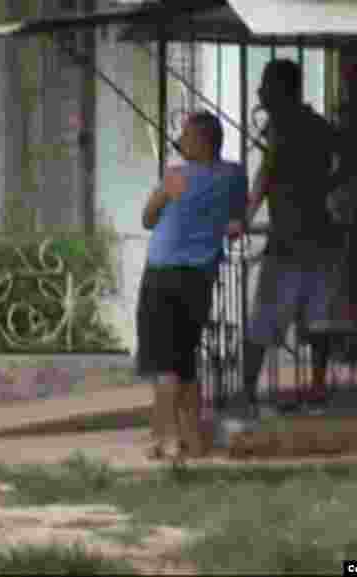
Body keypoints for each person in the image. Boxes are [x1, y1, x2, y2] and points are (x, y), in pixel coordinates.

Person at [241, 59, 352, 415]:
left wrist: (244, 217)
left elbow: (264, 177)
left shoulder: (283, 127)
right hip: (320, 238)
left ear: (283, 90)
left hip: (291, 241)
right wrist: (326, 184)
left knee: (264, 320)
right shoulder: (317, 126)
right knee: (317, 320)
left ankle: (246, 394)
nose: (260, 92)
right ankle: (317, 390)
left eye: (266, 86)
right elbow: (350, 159)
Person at [136, 111, 247, 461]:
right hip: (200, 278)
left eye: (185, 136)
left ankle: (168, 440)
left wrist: (168, 192)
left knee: (163, 362)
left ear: (201, 141)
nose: (179, 141)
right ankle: (193, 438)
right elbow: (236, 215)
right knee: (185, 360)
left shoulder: (176, 177)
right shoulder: (234, 176)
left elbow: (147, 218)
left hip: (163, 275)